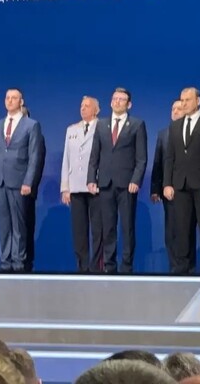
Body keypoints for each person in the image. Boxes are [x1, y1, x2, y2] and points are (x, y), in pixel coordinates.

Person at [87, 88, 148, 274]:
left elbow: (141, 158)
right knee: (108, 227)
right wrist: (91, 178)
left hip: (127, 185)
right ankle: (109, 265)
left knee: (127, 227)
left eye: (122, 99)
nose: (117, 101)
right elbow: (94, 155)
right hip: (105, 183)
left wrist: (136, 180)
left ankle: (127, 266)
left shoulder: (137, 124)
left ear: (129, 104)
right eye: (115, 98)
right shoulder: (101, 125)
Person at [164, 87, 200, 275]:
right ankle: (184, 268)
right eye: (182, 100)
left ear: (198, 101)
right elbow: (170, 157)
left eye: (187, 100)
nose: (183, 104)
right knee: (183, 229)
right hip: (180, 185)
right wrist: (167, 183)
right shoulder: (175, 126)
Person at [0, 89, 45, 272]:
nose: (10, 101)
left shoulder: (31, 125)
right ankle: (5, 262)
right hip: (0, 180)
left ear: (21, 102)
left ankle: (18, 262)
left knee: (19, 226)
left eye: (14, 98)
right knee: (4, 225)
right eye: (7, 98)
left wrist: (28, 181)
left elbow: (34, 156)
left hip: (19, 180)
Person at [151, 99, 195, 273]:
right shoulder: (164, 134)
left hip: (188, 189)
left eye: (179, 109)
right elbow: (158, 162)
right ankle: (174, 267)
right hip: (168, 190)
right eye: (173, 109)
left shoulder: (193, 132)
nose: (175, 111)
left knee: (187, 229)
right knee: (171, 231)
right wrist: (155, 189)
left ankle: (188, 268)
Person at [60, 96, 101, 273]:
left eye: (87, 106)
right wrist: (65, 188)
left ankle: (97, 266)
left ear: (96, 110)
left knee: (98, 229)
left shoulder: (102, 127)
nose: (83, 108)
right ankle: (82, 266)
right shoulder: (72, 130)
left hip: (96, 186)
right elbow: (66, 159)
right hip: (76, 186)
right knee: (79, 229)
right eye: (81, 105)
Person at [20, 106, 45, 273]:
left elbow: (37, 162)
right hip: (9, 188)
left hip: (27, 191)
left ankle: (25, 265)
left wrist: (31, 186)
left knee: (25, 229)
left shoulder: (35, 135)